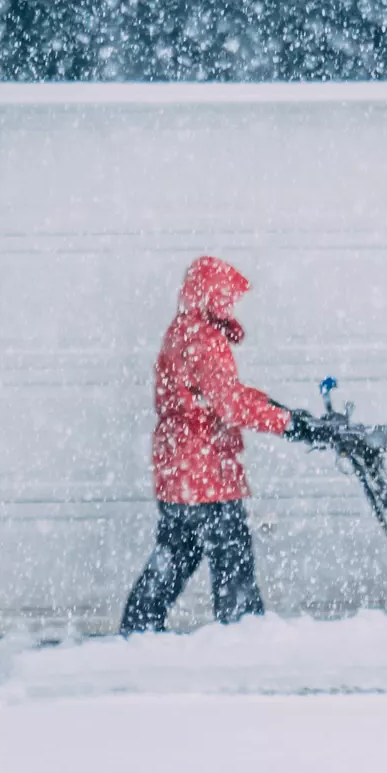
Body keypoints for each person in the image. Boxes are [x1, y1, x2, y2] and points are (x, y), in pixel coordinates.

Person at [121, 256, 310, 634]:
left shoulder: (182, 331)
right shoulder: (205, 340)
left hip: (179, 469)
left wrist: (275, 407)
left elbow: (221, 393)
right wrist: (288, 424)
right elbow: (230, 404)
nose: (231, 305)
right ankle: (243, 634)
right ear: (210, 295)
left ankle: (137, 628)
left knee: (175, 552)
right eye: (226, 296)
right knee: (232, 556)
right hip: (206, 472)